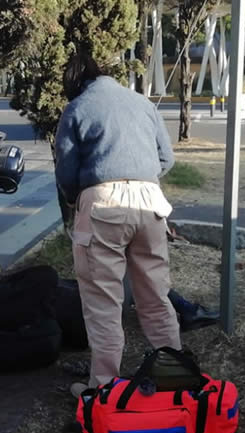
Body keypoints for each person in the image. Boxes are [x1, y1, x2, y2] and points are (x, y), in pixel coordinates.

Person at [54, 49, 183, 398]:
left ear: (76, 82)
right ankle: (174, 377)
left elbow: (66, 172)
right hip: (150, 202)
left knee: (103, 303)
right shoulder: (142, 103)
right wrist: (140, 178)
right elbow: (165, 159)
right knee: (156, 296)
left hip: (102, 204)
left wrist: (75, 199)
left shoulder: (77, 108)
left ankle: (105, 388)